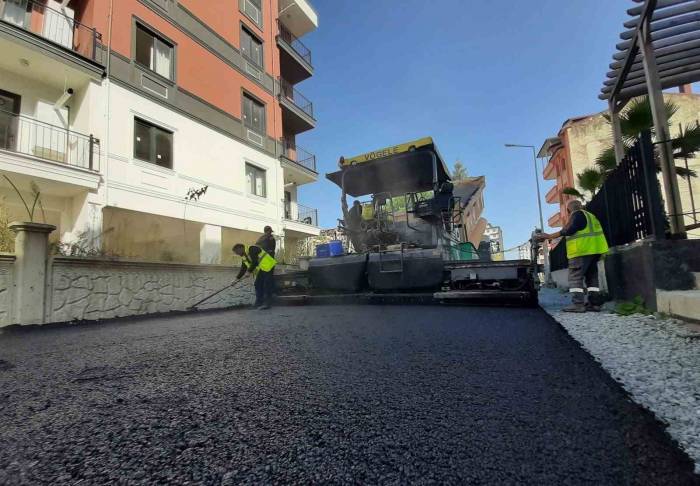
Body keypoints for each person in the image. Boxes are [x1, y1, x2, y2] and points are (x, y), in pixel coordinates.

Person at [537, 199, 609, 313]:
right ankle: (594, 304)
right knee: (592, 277)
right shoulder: (590, 215)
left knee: (575, 278)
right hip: (595, 250)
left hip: (581, 251)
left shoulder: (576, 215)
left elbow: (569, 230)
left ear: (568, 210)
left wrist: (549, 236)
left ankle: (578, 304)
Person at [232, 243, 277, 310]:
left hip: (268, 265)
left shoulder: (252, 249)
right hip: (262, 268)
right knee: (257, 284)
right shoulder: (244, 256)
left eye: (236, 252)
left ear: (240, 248)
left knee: (266, 284)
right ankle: (258, 303)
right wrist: (236, 279)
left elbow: (255, 262)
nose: (237, 254)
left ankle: (267, 304)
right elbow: (243, 268)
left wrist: (249, 272)